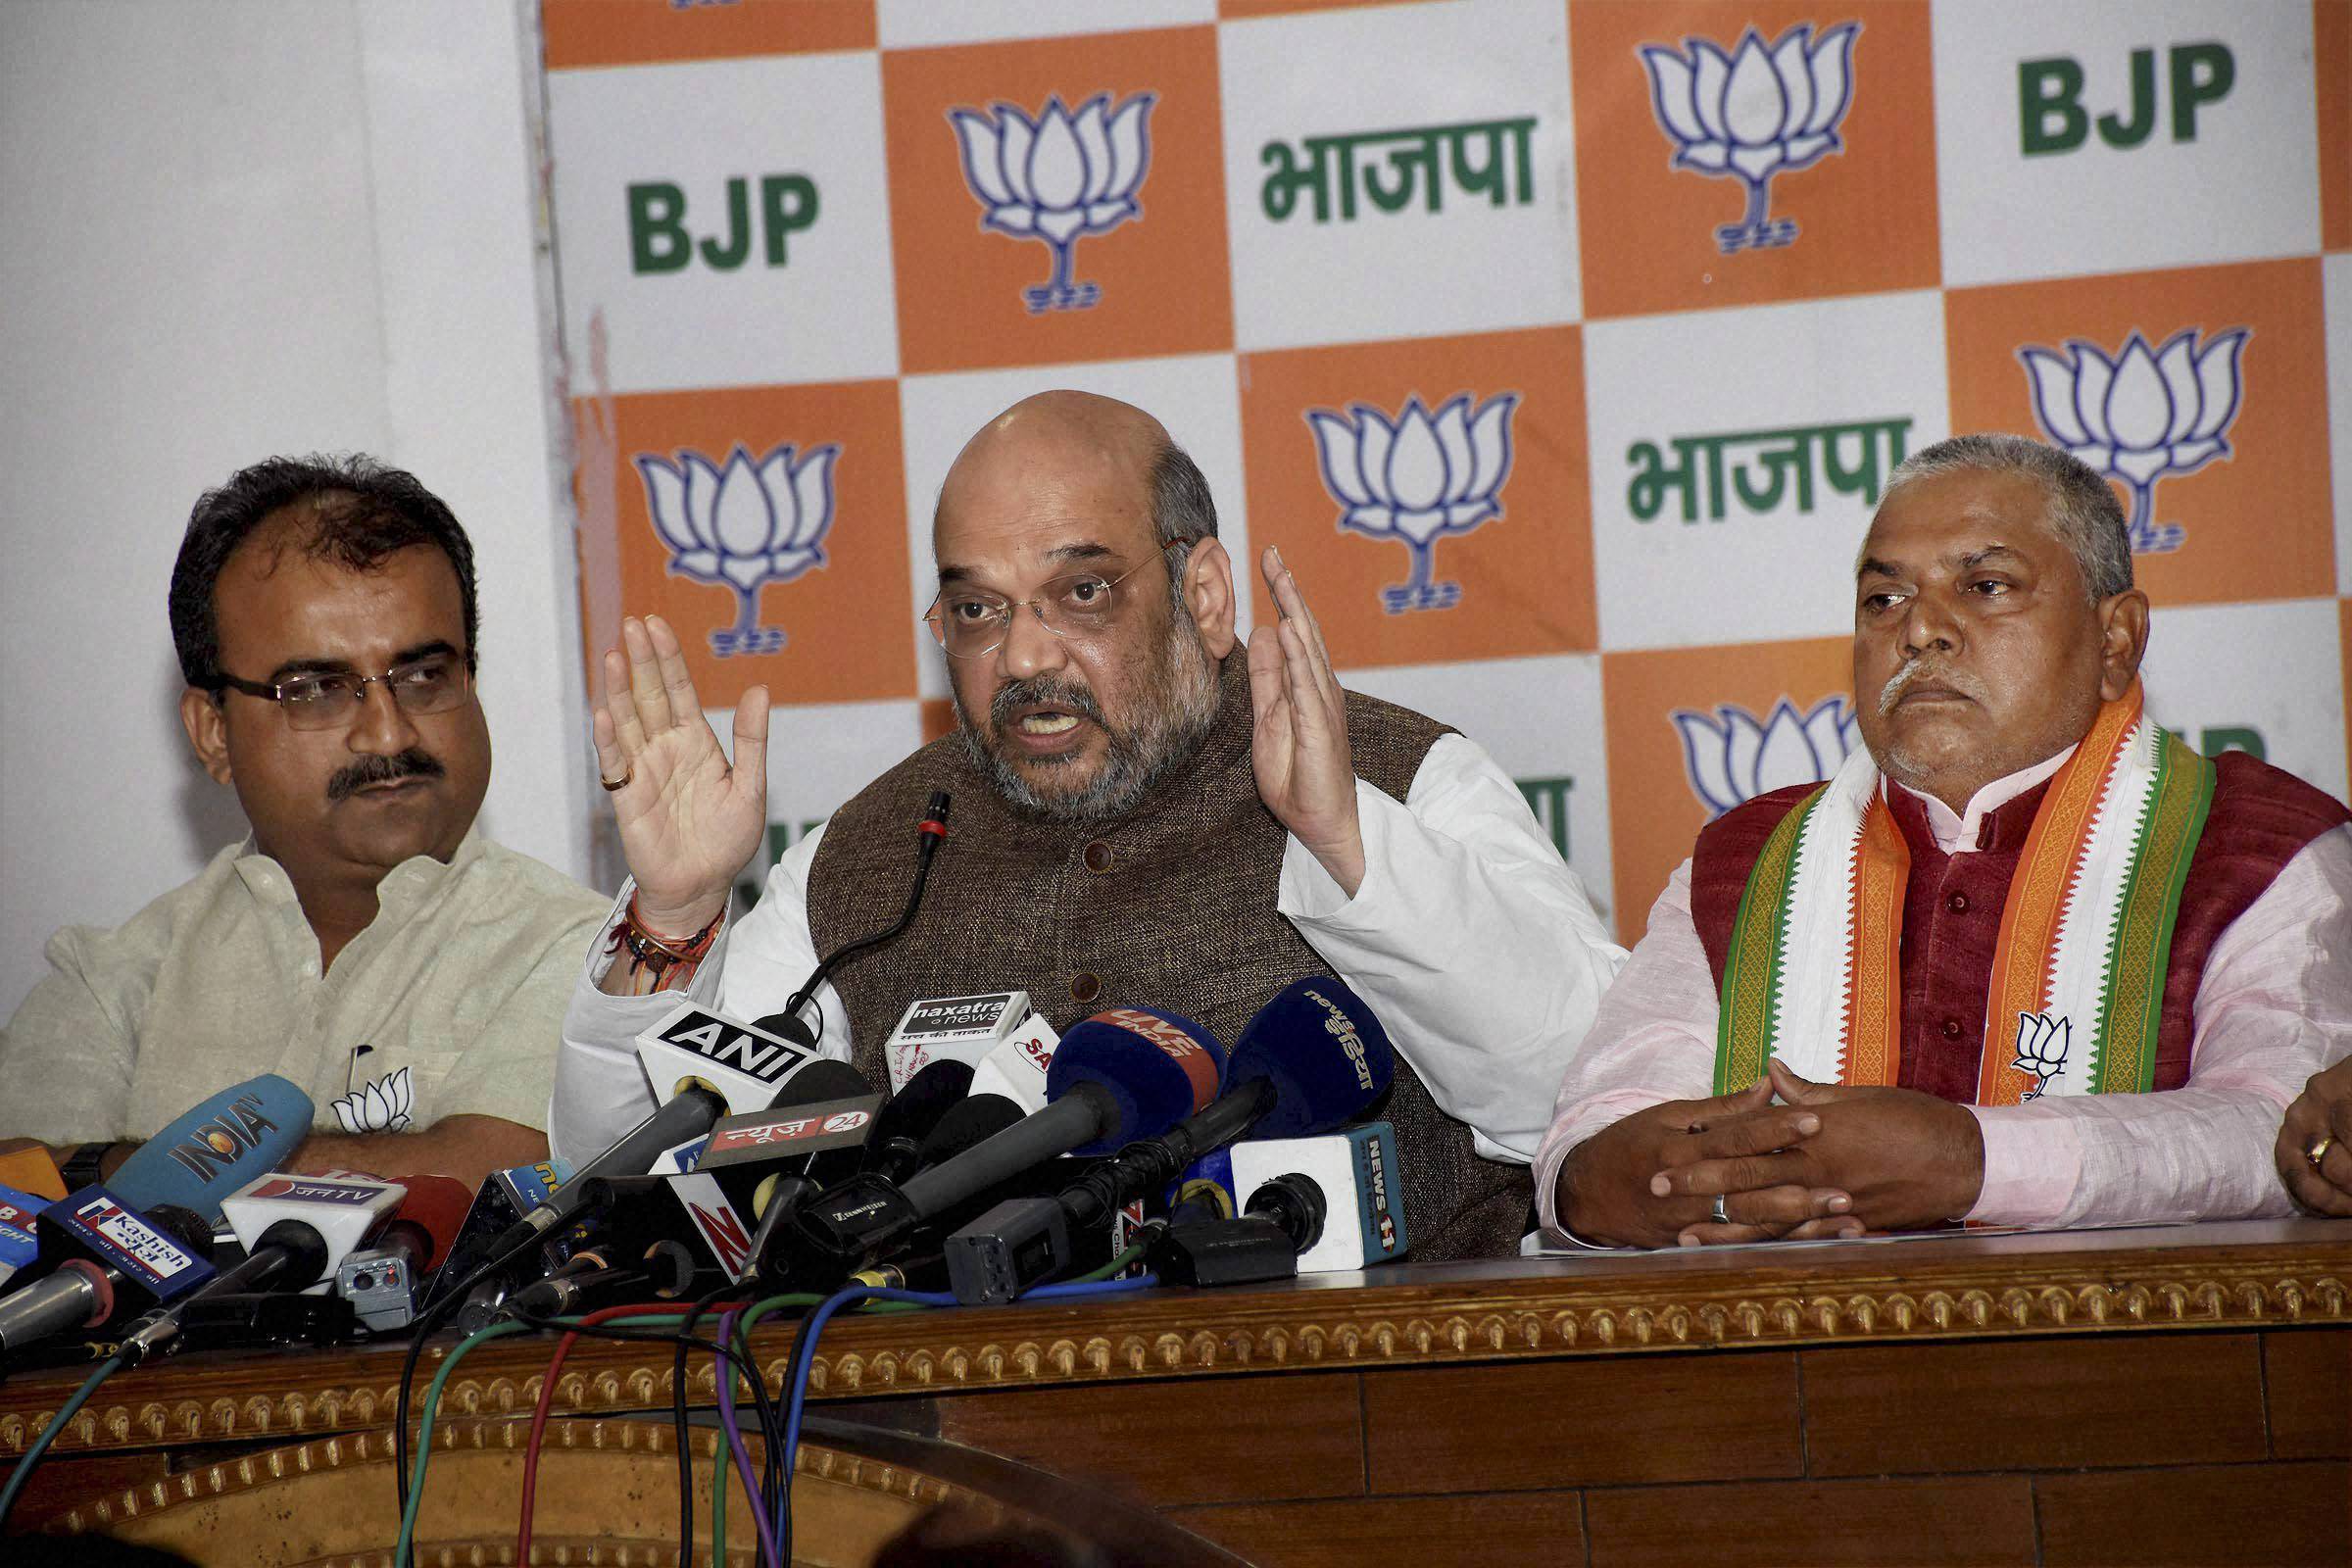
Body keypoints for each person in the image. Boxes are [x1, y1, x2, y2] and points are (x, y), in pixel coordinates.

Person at [556, 390, 1624, 1257]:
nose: (1023, 657)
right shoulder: (863, 855)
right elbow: (630, 1193)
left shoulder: (1401, 777)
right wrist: (676, 917)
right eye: (978, 610)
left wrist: (1349, 846)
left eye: (1082, 592)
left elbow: (1590, 1098)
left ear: (1205, 595)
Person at [1538, 433, 2352, 1250]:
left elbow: (2283, 1129)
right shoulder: (1745, 863)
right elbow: (1594, 1139)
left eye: (1986, 586)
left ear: (2116, 640)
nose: (1921, 628)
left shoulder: (2258, 847)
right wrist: (1626, 1184)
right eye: (1884, 599)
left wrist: (1973, 1161)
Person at [0, 456, 608, 1189]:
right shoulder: (114, 983)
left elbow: (485, 1180)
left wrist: (127, 1172)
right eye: (317, 688)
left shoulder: (592, 956)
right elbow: (15, 1193)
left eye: (423, 676)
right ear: (213, 733)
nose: (388, 733)